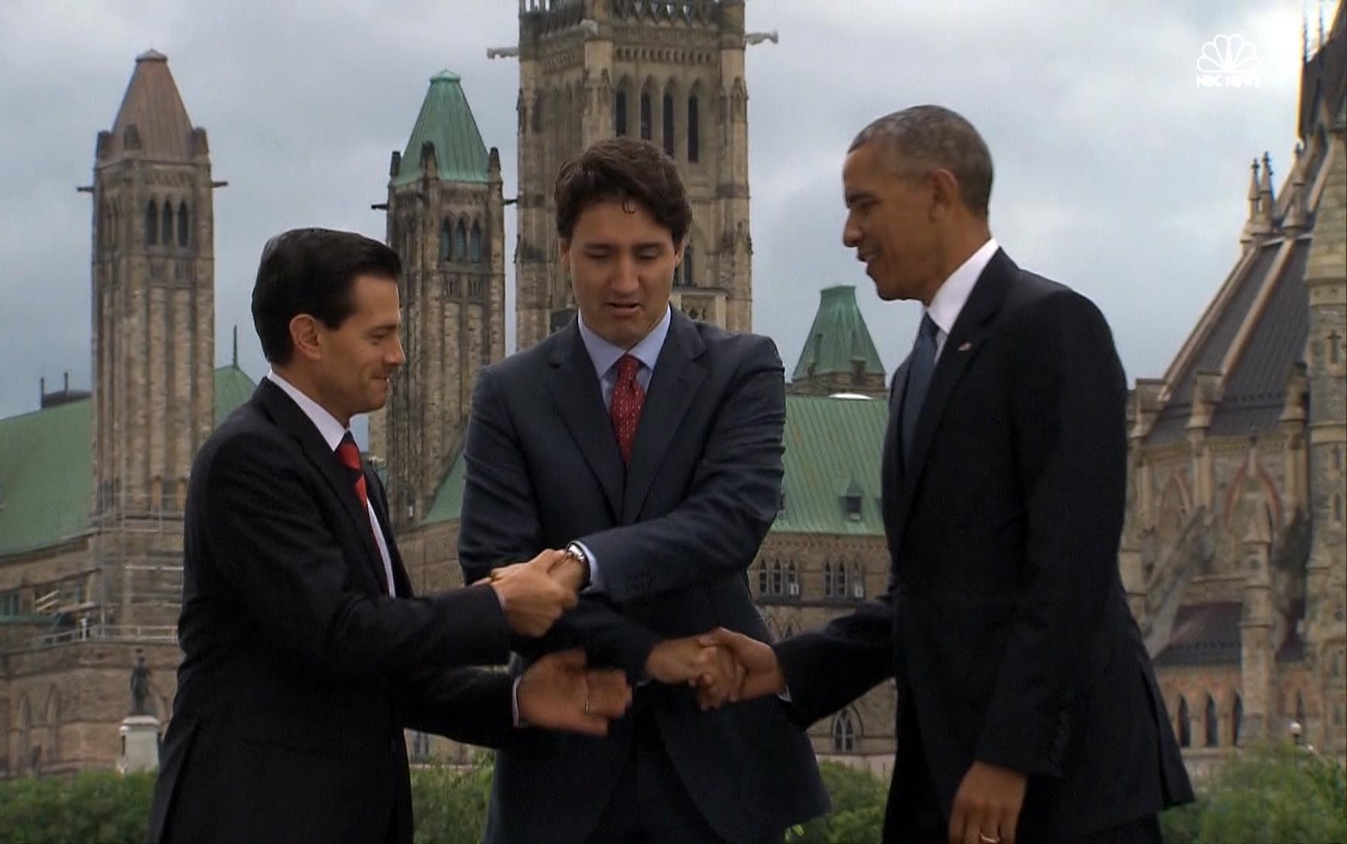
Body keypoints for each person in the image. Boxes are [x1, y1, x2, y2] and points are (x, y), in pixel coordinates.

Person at [695, 105, 1194, 844]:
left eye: (864, 207)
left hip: (1060, 791)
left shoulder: (1053, 325)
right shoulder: (914, 370)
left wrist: (1010, 757)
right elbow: (922, 597)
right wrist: (784, 666)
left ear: (937, 192)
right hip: (954, 781)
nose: (848, 235)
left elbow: (1071, 571)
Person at [146, 228, 633, 844]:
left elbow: (396, 666)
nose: (399, 355)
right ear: (309, 337)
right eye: (379, 336)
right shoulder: (249, 460)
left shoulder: (350, 469)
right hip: (260, 815)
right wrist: (499, 606)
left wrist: (517, 701)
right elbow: (341, 632)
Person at [458, 137, 828, 844]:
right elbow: (497, 571)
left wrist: (581, 562)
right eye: (600, 256)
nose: (624, 280)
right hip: (563, 774)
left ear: (681, 250)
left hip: (722, 765)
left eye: (646, 255)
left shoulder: (742, 369)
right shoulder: (508, 393)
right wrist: (647, 653)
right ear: (562, 250)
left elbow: (729, 522)